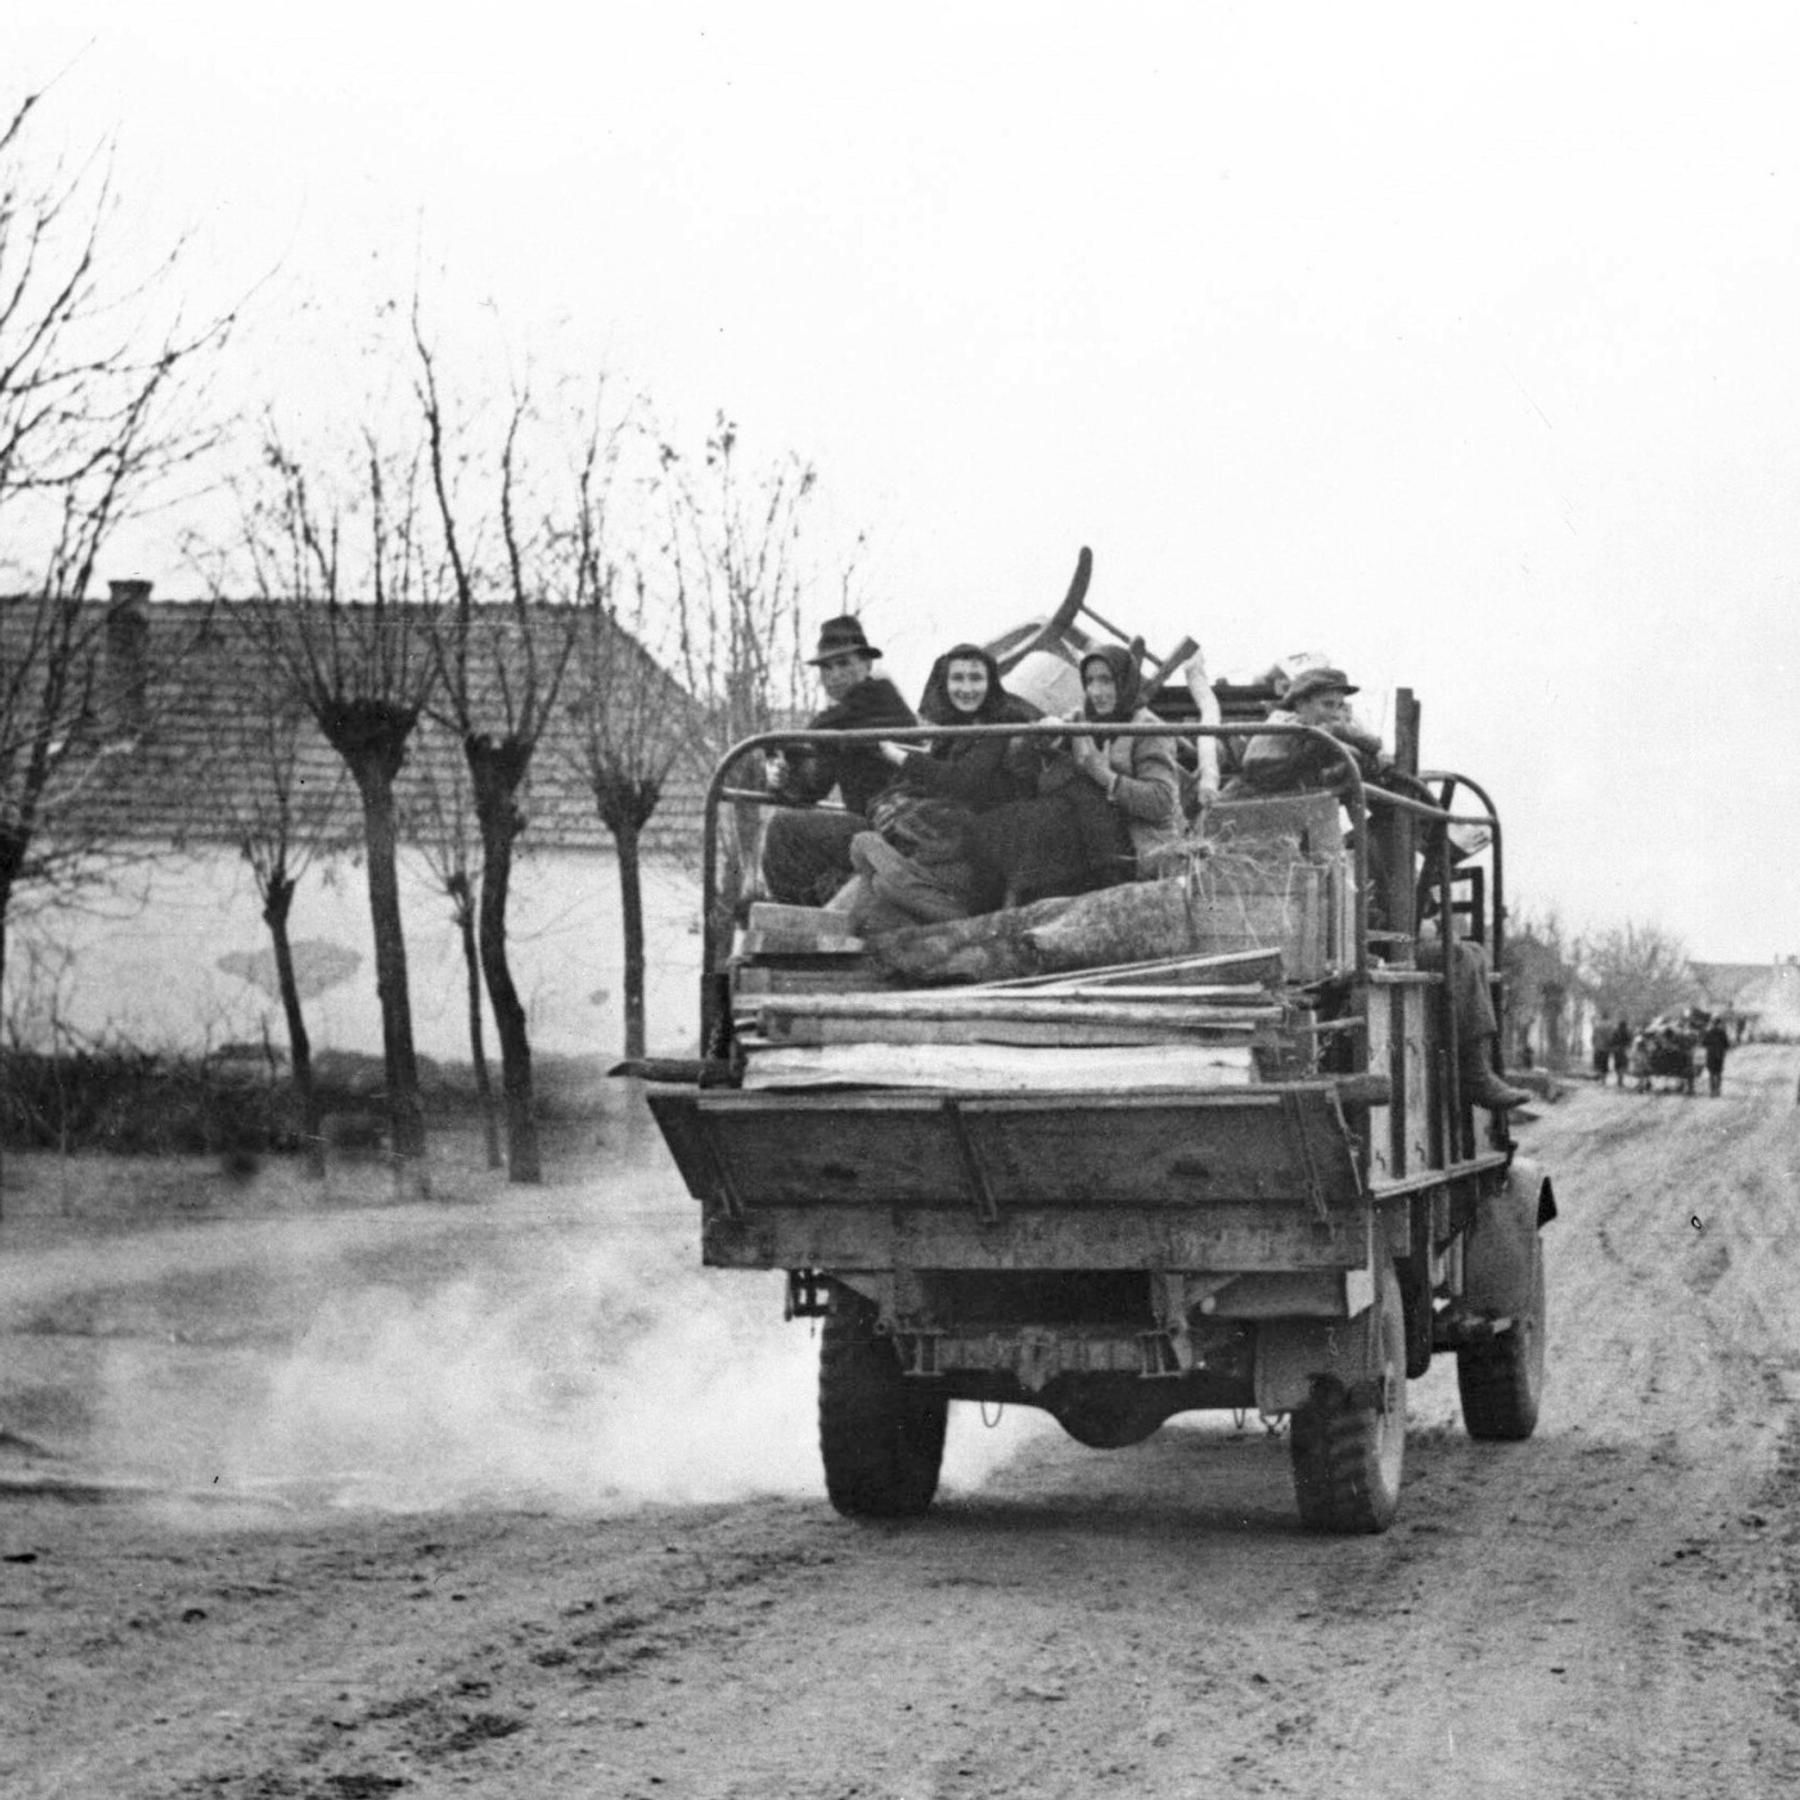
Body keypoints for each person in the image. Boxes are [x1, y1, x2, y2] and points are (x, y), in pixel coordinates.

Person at [1229, 664, 1528, 1113]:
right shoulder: (1287, 751)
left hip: (1352, 926)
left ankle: (1481, 1069)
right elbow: (1267, 771)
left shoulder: (1347, 800)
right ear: (1301, 705)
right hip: (1330, 934)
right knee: (1463, 955)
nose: (1337, 714)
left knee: (1467, 953)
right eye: (1327, 704)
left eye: (1339, 705)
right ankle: (1475, 1075)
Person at [838, 643, 1041, 934]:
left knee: (865, 846)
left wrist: (901, 757)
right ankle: (864, 924)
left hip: (981, 851)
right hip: (944, 845)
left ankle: (952, 913)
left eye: (976, 678)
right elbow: (926, 781)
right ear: (945, 683)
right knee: (879, 888)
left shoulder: (1004, 721)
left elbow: (965, 782)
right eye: (958, 678)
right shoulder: (953, 727)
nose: (967, 688)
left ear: (991, 682)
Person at [973, 642, 1183, 905]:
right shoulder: (1083, 718)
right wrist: (1039, 738)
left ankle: (1100, 894)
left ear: (1125, 682)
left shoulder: (1149, 729)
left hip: (1137, 846)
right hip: (1094, 839)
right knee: (1012, 821)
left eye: (1107, 681)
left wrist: (1104, 774)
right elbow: (1022, 763)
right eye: (1090, 681)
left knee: (1071, 797)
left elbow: (1162, 802)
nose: (1097, 692)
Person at [760, 616, 916, 907]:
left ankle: (792, 915)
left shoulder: (878, 700)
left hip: (900, 828)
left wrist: (786, 746)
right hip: (873, 826)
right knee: (790, 829)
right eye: (826, 667)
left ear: (867, 665)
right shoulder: (839, 722)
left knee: (784, 829)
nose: (834, 674)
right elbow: (814, 786)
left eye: (844, 663)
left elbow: (821, 733)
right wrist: (782, 779)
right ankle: (798, 909)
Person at [1701, 1014, 1731, 1097]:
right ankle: (1717, 1090)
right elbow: (1727, 1045)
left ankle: (1712, 1091)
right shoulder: (1722, 1033)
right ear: (1719, 1023)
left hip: (1710, 1055)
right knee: (1718, 1073)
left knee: (1711, 1073)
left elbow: (1703, 1043)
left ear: (1712, 1023)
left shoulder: (1708, 1032)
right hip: (1719, 1055)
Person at [1610, 1017, 1633, 1086]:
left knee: (1617, 1064)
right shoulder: (1627, 1032)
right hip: (1624, 1050)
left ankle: (1619, 1079)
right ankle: (1620, 1079)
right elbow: (1630, 1041)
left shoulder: (1615, 1032)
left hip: (1617, 1050)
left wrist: (1613, 1048)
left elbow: (1612, 1041)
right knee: (1623, 1065)